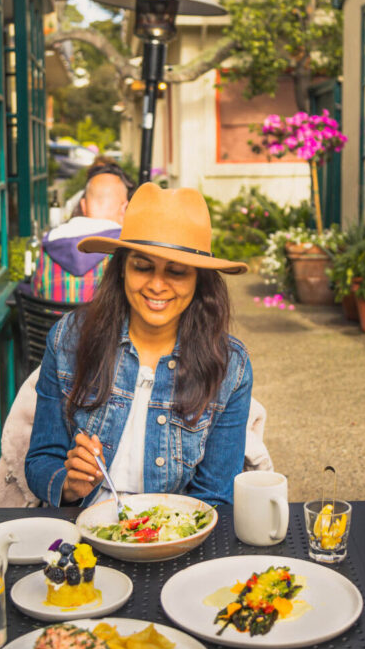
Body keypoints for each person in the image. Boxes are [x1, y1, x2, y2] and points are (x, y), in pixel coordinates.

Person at [25, 183, 253, 508]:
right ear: (121, 270)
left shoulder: (230, 366)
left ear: (199, 281)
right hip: (81, 533)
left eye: (176, 272)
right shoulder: (68, 339)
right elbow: (39, 460)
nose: (157, 285)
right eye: (142, 267)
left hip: (178, 537)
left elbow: (214, 497)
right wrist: (66, 482)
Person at [31, 163, 129, 302]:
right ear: (124, 208)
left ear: (83, 205)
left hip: (52, 324)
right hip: (103, 324)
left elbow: (36, 293)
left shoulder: (50, 244)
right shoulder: (124, 250)